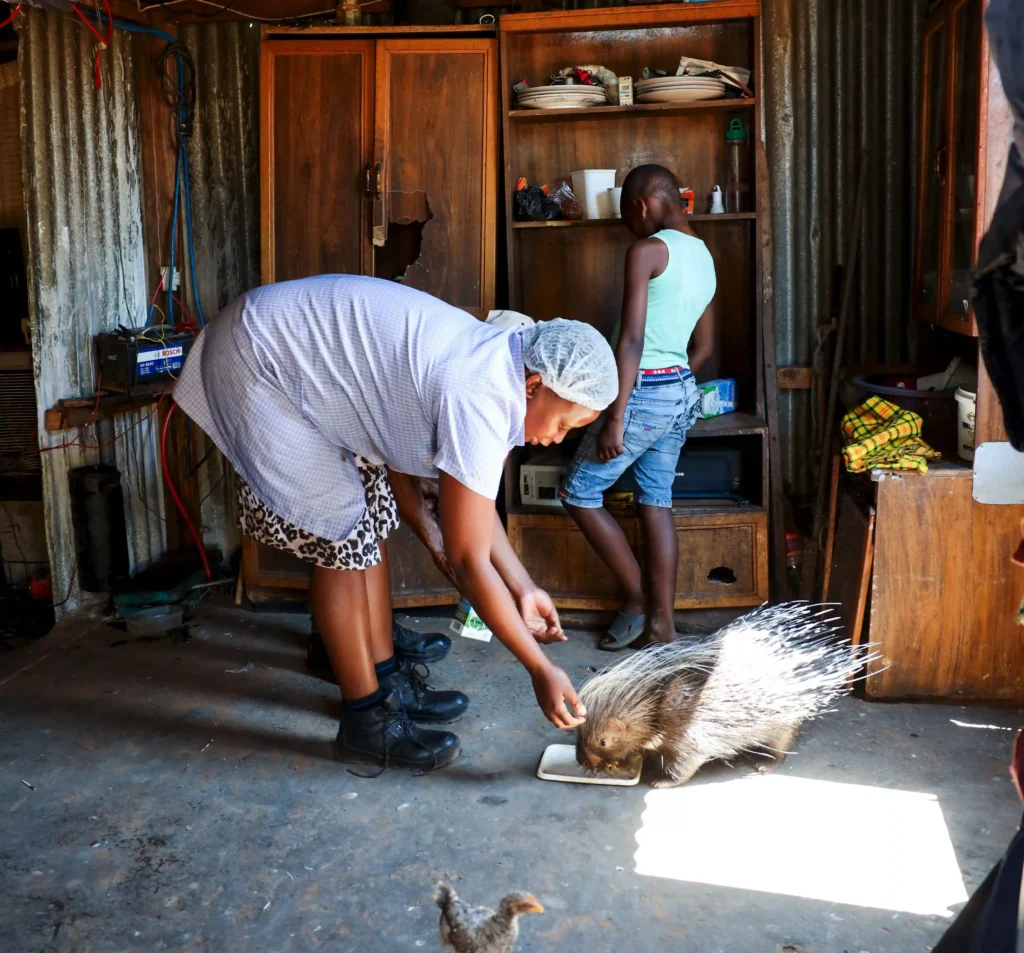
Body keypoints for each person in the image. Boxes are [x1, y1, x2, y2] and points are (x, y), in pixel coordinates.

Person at [172, 275, 618, 771]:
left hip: (287, 347)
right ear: (535, 385)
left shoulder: (508, 356)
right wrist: (539, 667)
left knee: (371, 513)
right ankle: (365, 721)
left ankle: (381, 676)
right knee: (341, 540)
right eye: (563, 424)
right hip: (260, 359)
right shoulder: (482, 396)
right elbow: (469, 560)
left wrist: (524, 585)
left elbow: (471, 506)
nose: (558, 439)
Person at [560, 164, 717, 649]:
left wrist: (617, 415)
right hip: (680, 389)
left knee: (579, 492)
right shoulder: (705, 256)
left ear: (641, 206)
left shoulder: (647, 250)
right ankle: (661, 630)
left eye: (629, 215)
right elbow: (704, 347)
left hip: (642, 389)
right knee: (656, 500)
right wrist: (673, 379)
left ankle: (635, 598)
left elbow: (629, 342)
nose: (630, 225)